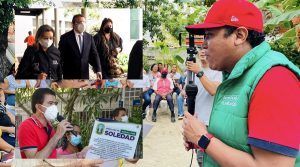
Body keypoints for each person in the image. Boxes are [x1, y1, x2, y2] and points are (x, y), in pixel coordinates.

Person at [182, 0, 300, 167]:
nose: (203, 45)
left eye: (209, 35)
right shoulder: (234, 76)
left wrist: (203, 139)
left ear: (239, 36)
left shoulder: (274, 79)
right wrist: (200, 137)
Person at [17, 88, 89, 159]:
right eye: (50, 103)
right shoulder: (26, 126)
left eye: (55, 104)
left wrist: (78, 155)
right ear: (39, 107)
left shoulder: (50, 127)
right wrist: (56, 136)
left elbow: (52, 157)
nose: (54, 107)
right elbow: (34, 161)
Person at [184, 48, 222, 166]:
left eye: (206, 48)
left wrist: (199, 72)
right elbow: (188, 94)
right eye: (200, 48)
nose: (202, 51)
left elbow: (213, 90)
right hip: (198, 122)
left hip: (212, 122)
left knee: (214, 159)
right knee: (200, 159)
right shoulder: (191, 73)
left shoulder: (218, 72)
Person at [59, 14, 102, 80]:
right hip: (70, 75)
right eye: (79, 22)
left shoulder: (89, 37)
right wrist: (59, 73)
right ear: (73, 24)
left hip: (84, 75)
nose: (82, 24)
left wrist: (98, 70)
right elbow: (60, 57)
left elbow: (94, 54)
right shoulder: (65, 38)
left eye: (84, 22)